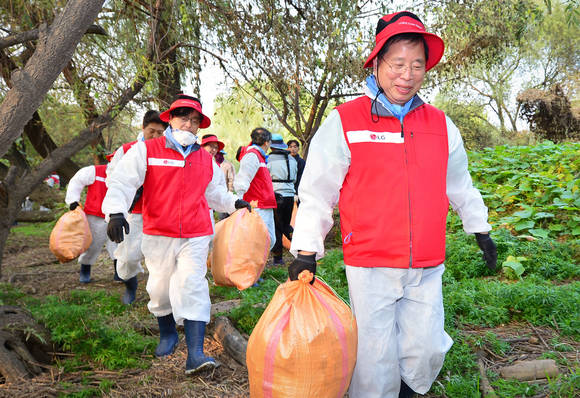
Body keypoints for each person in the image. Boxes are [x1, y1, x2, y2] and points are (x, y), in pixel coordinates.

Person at [287, 11, 498, 398]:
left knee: (426, 350)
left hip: (427, 262)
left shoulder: (440, 124)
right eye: (398, 63)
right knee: (374, 358)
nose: (408, 74)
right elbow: (317, 191)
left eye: (417, 64)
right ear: (377, 63)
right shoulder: (345, 121)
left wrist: (479, 226)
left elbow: (459, 184)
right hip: (370, 261)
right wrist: (305, 250)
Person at [102, 94, 252, 375]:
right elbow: (123, 181)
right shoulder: (147, 150)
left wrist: (233, 203)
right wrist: (115, 212)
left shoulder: (206, 160)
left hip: (196, 232)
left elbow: (214, 192)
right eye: (183, 117)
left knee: (192, 284)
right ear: (169, 119)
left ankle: (195, 354)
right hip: (159, 231)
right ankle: (167, 332)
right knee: (159, 289)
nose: (189, 124)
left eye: (195, 120)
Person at [106, 110, 167, 305]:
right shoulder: (127, 149)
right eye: (152, 131)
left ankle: (161, 299)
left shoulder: (167, 150)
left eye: (160, 132)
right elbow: (113, 177)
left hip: (159, 212)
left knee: (161, 259)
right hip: (135, 213)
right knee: (128, 258)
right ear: (143, 128)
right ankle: (130, 287)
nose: (156, 136)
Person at [65, 163, 117, 283]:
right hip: (95, 214)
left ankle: (119, 272)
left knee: (117, 244)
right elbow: (76, 181)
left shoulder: (126, 172)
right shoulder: (95, 171)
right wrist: (73, 201)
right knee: (91, 244)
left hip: (116, 215)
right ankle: (85, 271)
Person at [234, 128, 276, 249]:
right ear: (267, 142)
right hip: (257, 205)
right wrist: (240, 200)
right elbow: (243, 179)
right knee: (258, 240)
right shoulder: (252, 155)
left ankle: (256, 264)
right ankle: (250, 265)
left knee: (268, 239)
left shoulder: (259, 156)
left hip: (264, 204)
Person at [267, 134, 297, 265]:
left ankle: (278, 258)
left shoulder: (268, 159)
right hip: (290, 195)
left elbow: (265, 178)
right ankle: (300, 245)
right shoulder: (292, 159)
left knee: (277, 227)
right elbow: (294, 178)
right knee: (285, 224)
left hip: (276, 195)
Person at [201, 134, 226, 228]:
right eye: (211, 146)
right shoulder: (195, 161)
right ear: (202, 146)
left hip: (209, 208)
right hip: (195, 209)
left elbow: (221, 186)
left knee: (210, 237)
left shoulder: (216, 166)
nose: (214, 150)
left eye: (216, 147)